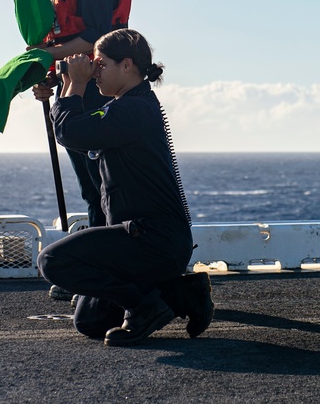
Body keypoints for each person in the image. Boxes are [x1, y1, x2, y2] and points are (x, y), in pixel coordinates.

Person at [37, 29, 214, 346]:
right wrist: (65, 85)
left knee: (52, 261)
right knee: (90, 321)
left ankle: (145, 307)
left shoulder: (134, 110)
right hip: (141, 238)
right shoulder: (128, 107)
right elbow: (77, 130)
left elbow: (74, 133)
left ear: (127, 65)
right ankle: (181, 293)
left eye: (101, 64)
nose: (96, 72)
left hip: (153, 239)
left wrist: (75, 83)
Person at [30, 0, 141, 300]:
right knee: (93, 190)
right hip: (75, 86)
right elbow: (66, 43)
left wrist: (45, 56)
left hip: (96, 91)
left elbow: (95, 36)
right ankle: (92, 273)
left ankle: (102, 275)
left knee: (102, 188)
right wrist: (48, 77)